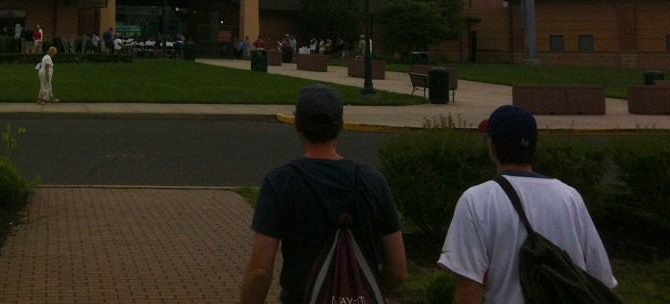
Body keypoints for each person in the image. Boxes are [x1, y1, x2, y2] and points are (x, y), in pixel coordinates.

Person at [239, 85, 407, 304]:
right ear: (340, 125)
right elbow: (398, 270)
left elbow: (260, 271)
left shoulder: (281, 183)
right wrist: (362, 288)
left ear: (297, 124)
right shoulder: (372, 182)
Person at [438, 105, 617, 304]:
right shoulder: (570, 197)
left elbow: (469, 289)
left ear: (492, 147)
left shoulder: (476, 200)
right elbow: (601, 280)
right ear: (534, 147)